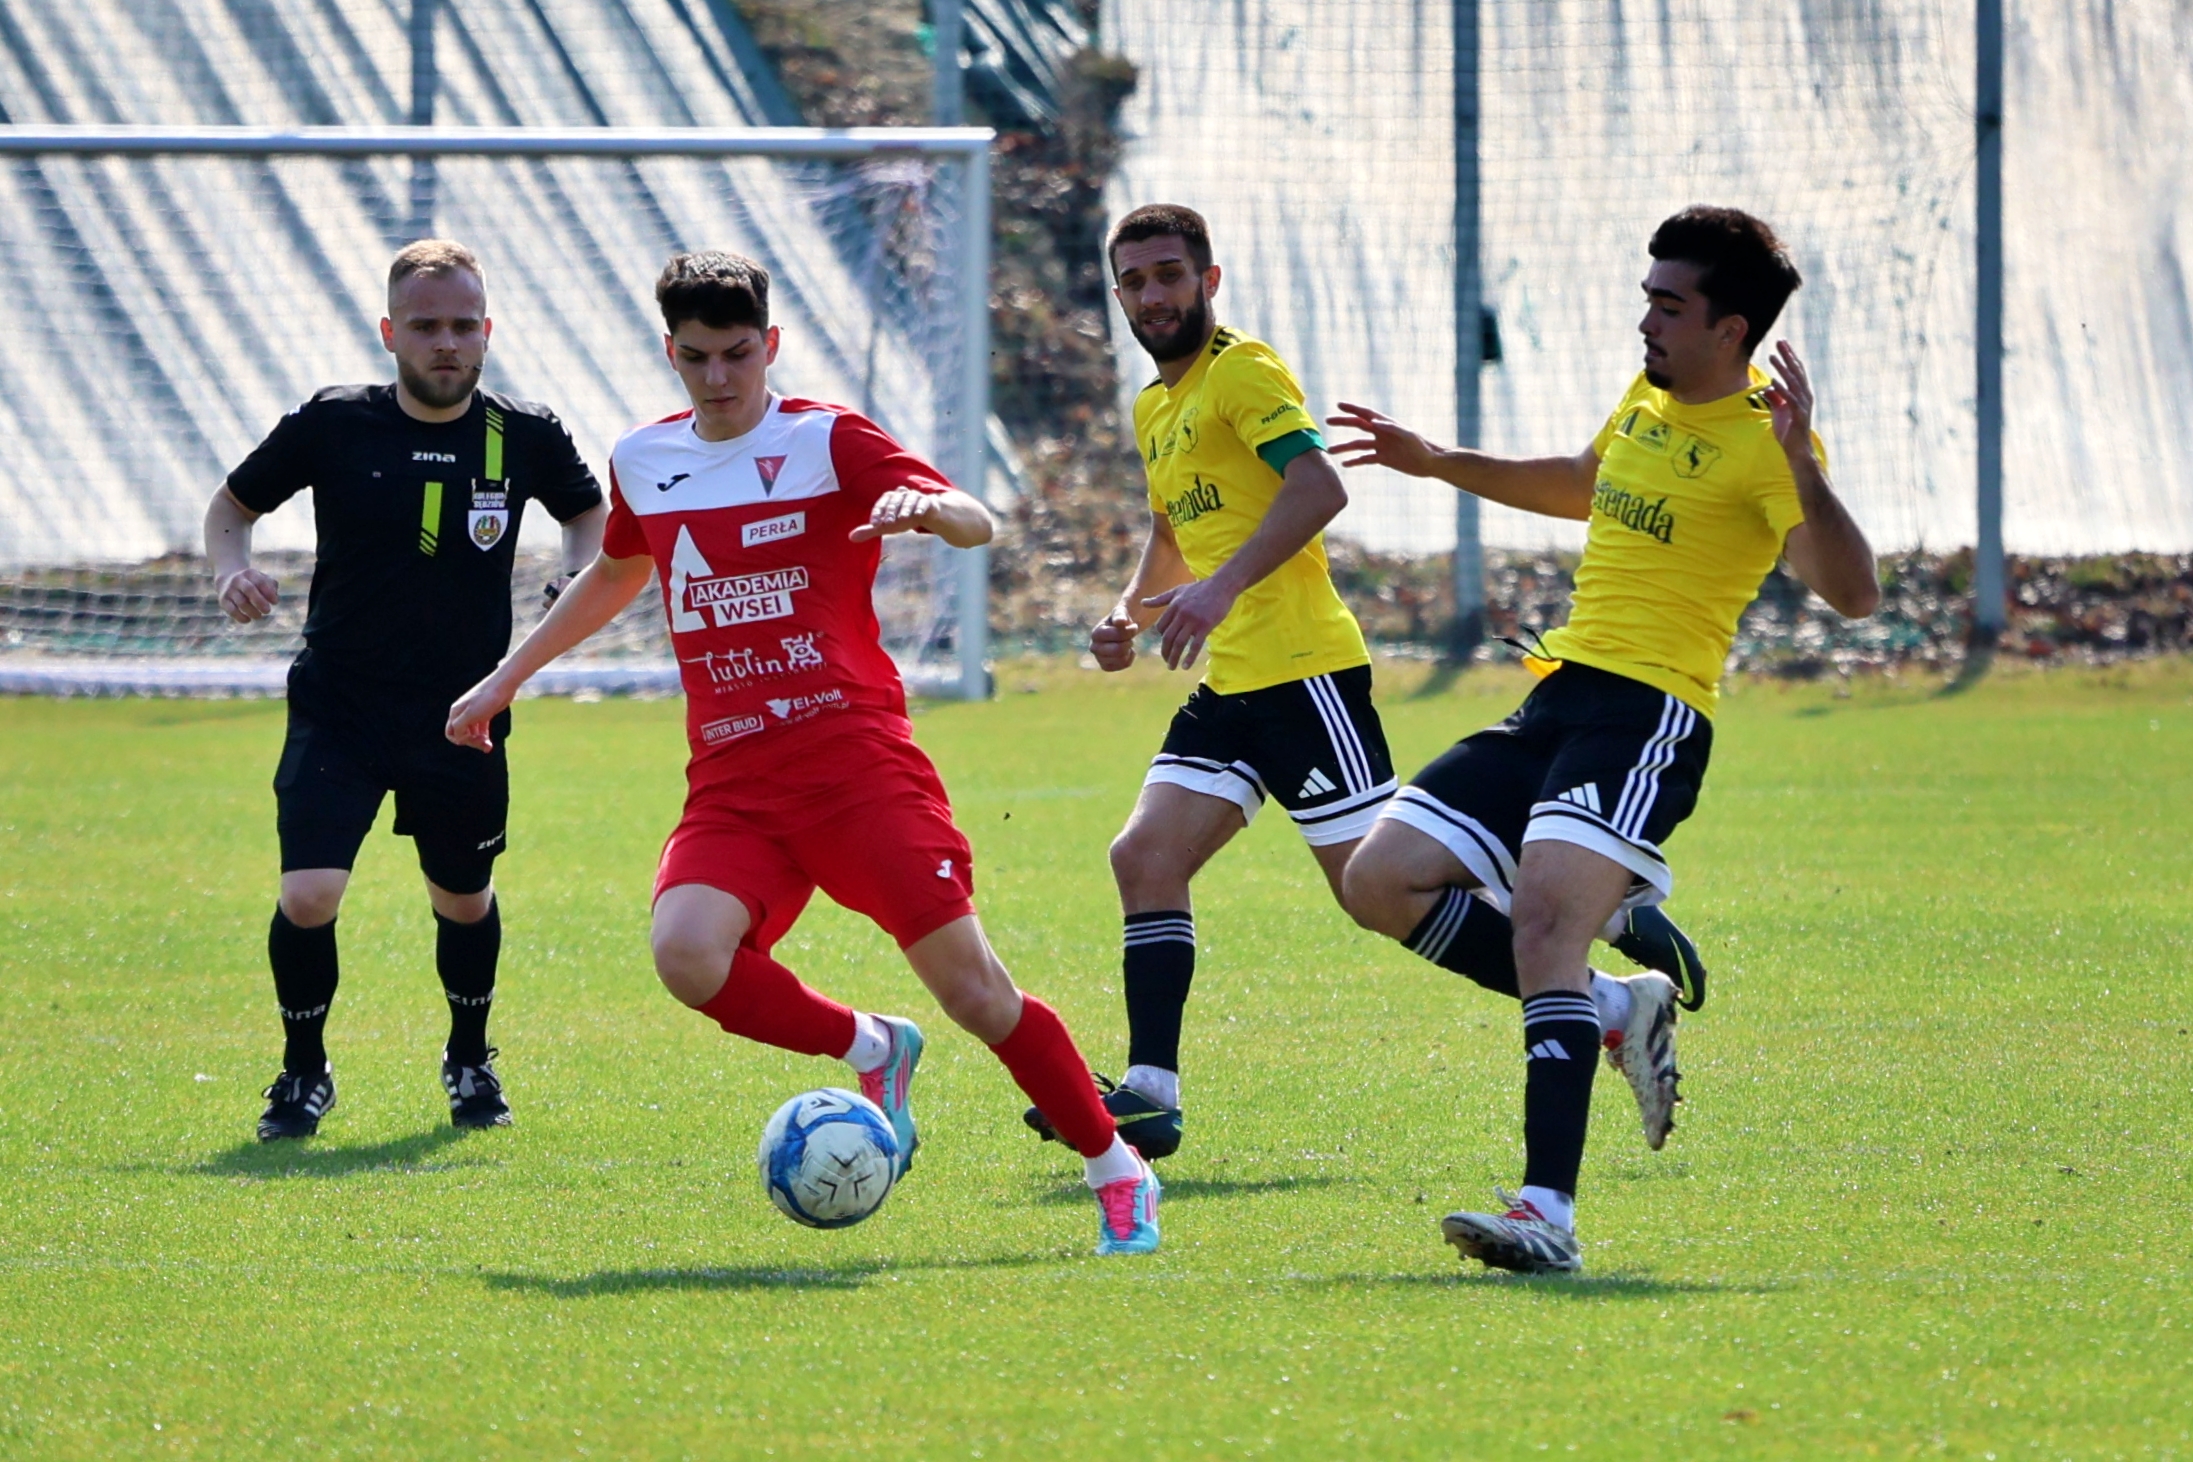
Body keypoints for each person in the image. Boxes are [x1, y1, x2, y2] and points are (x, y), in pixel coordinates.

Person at [445, 250, 1161, 1255]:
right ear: (671, 353)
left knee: (976, 993)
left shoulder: (826, 439)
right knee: (687, 954)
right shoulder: (645, 459)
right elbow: (614, 574)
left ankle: (1116, 1168)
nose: (720, 376)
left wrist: (932, 509)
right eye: (698, 357)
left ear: (770, 345)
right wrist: (504, 679)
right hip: (735, 782)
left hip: (857, 769)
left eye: (739, 353)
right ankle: (873, 1045)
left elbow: (977, 518)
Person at [1025, 203, 1705, 1164]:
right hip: (1232, 685)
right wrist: (1127, 614)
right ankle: (1149, 1093)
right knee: (1142, 856)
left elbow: (1319, 485)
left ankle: (1610, 979)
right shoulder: (1154, 407)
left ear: (1208, 281)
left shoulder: (1241, 372)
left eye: (1169, 274)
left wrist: (1220, 589)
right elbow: (1172, 530)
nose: (1152, 295)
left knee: (1380, 885)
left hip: (1304, 679)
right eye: (1133, 281)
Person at [1330, 205, 1881, 1273]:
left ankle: (1548, 1214)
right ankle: (1611, 1008)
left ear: (1730, 329)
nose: (1647, 322)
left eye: (1668, 307)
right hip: (1560, 698)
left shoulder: (1769, 442)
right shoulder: (1648, 395)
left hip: (1648, 716)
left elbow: (1854, 592)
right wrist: (1434, 460)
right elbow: (1583, 485)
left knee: (1544, 925)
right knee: (1378, 880)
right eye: (1647, 300)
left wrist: (1802, 466)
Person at [206, 239, 607, 1141]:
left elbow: (589, 515)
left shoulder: (523, 433)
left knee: (461, 897)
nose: (446, 343)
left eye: (464, 325)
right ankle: (302, 1073)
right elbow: (231, 508)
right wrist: (230, 570)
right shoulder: (335, 422)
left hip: (466, 711)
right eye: (426, 326)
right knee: (309, 894)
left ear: (487, 331)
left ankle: (469, 1057)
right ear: (390, 333)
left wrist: (572, 576)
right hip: (340, 703)